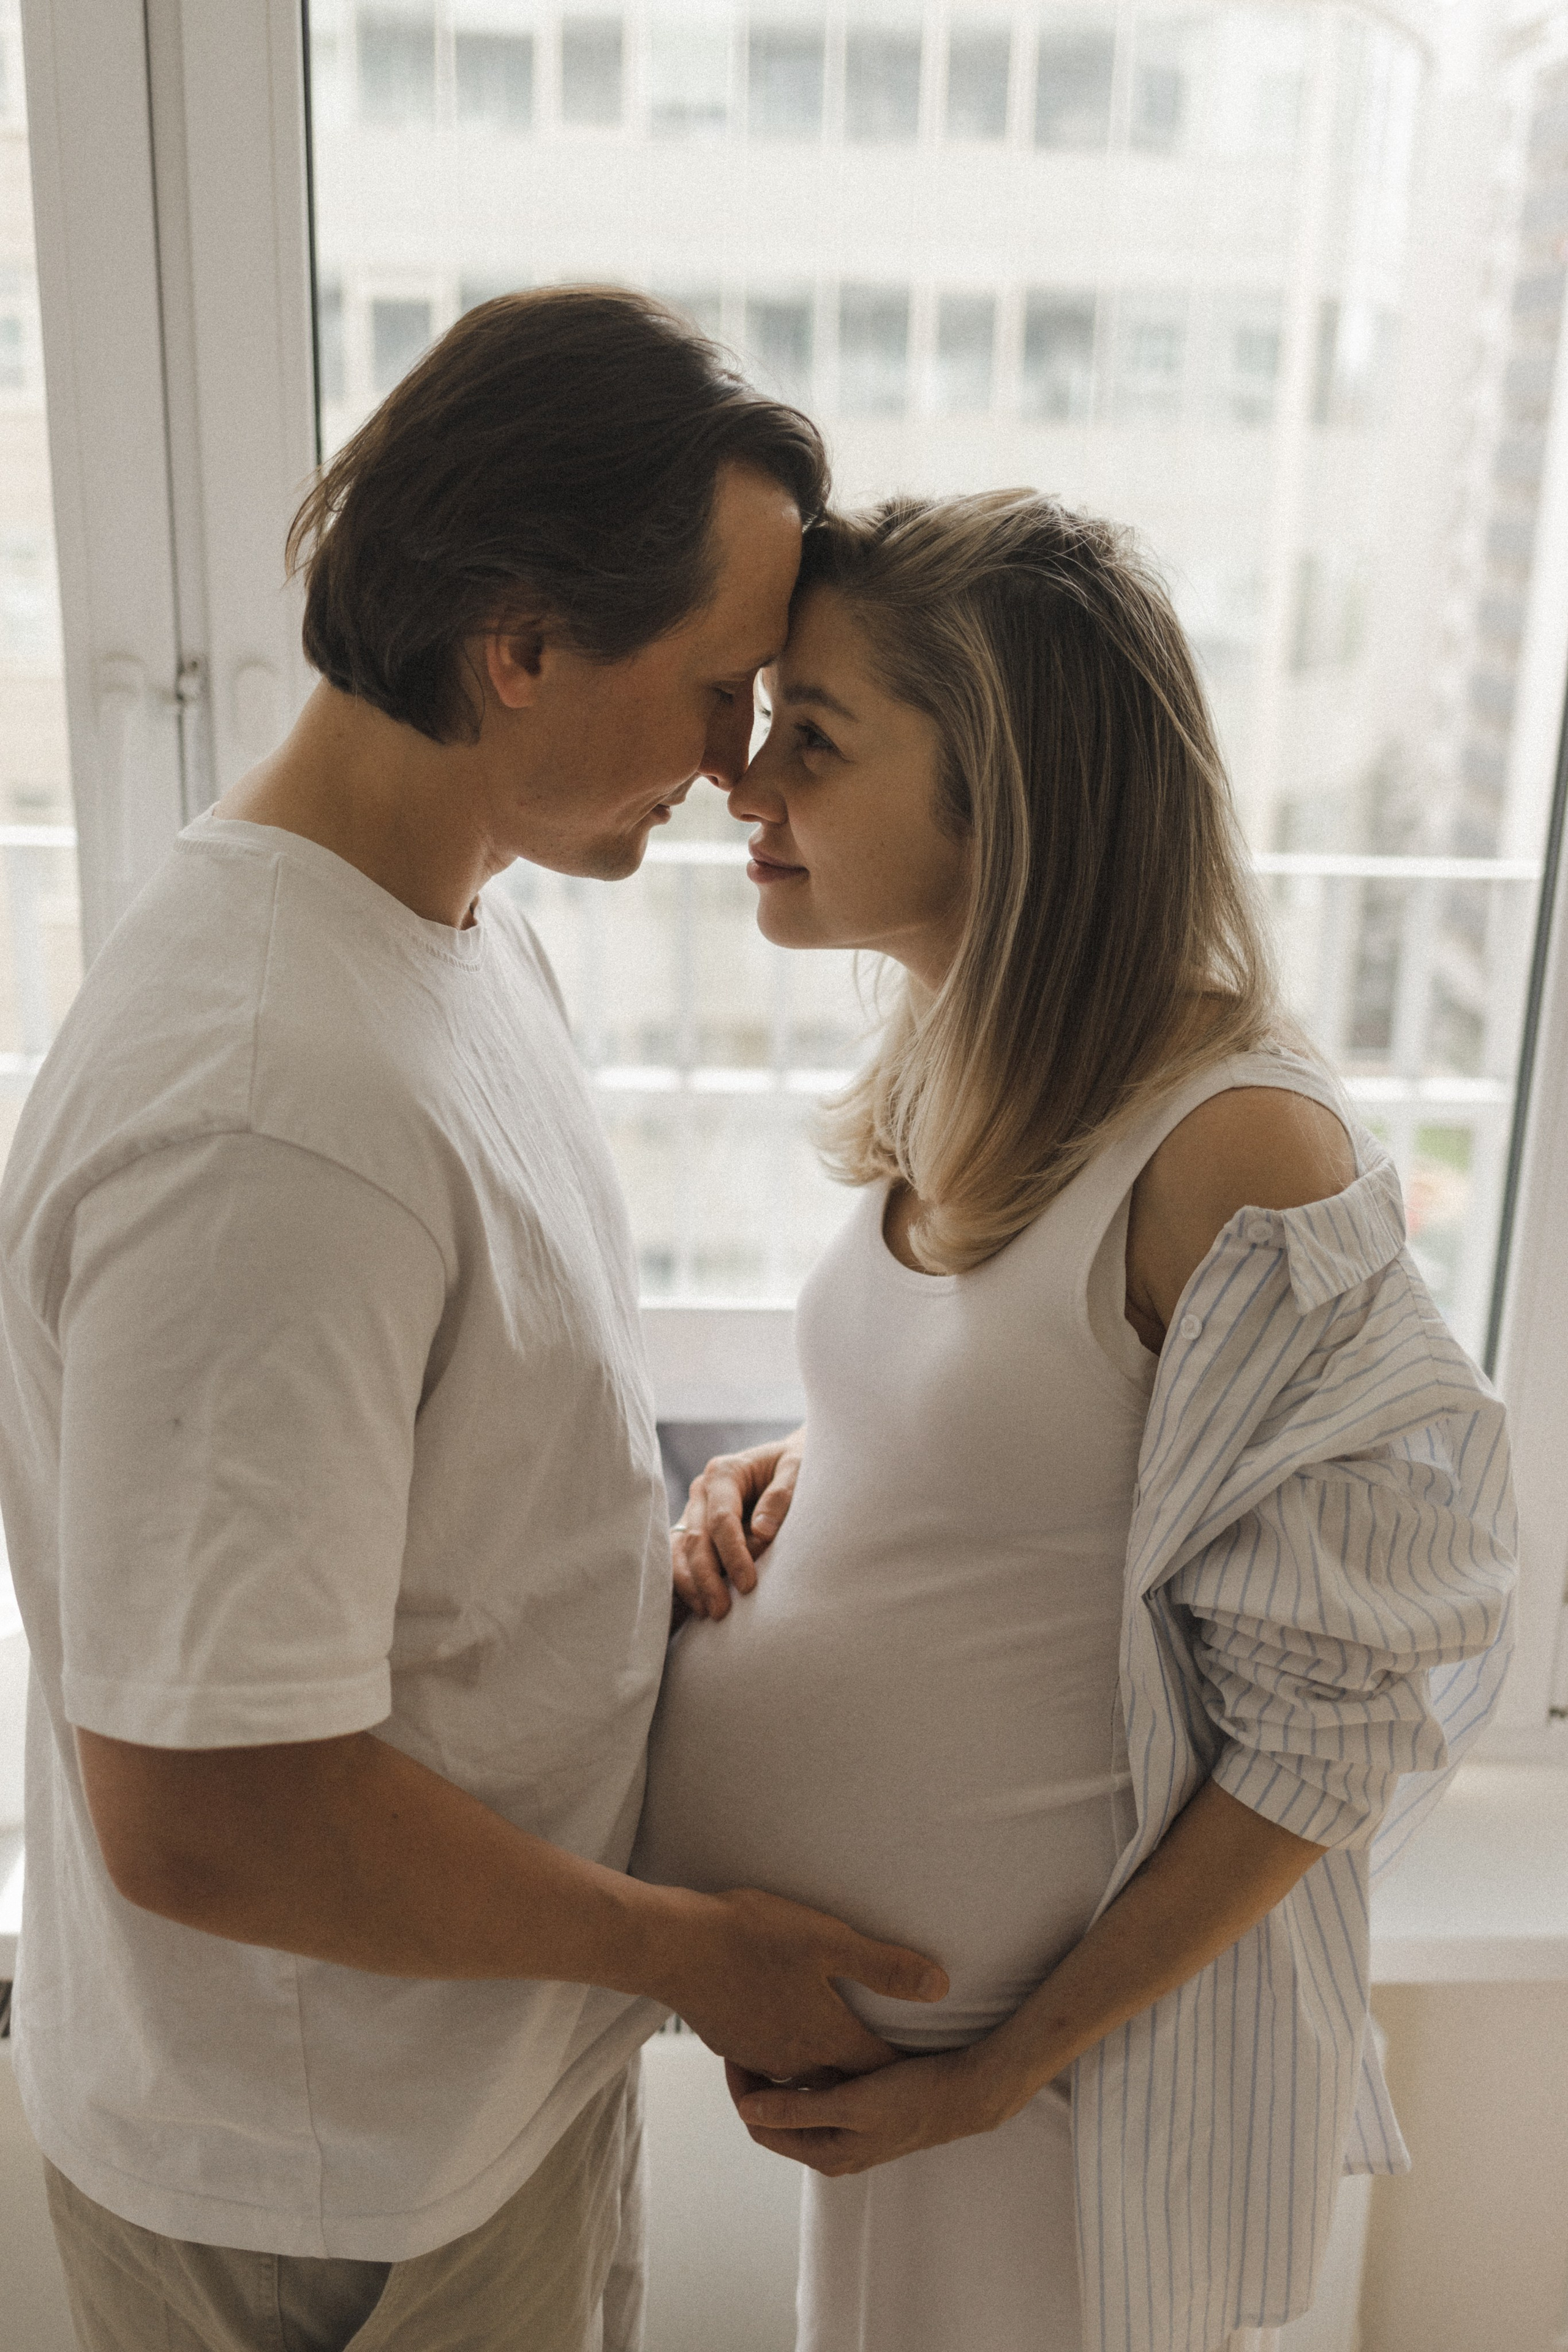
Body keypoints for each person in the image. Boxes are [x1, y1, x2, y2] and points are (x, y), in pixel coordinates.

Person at [0, 292, 950, 2352]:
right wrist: (681, 1950)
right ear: (516, 644)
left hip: (455, 2105)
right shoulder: (272, 1108)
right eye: (716, 694)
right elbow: (209, 1809)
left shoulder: (447, 932)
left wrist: (656, 1533)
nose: (739, 768)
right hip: (331, 2187)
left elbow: (427, 1475)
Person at [633, 492, 1517, 2352]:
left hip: (1053, 2103)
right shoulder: (965, 1056)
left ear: (1006, 791)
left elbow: (1331, 1729)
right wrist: (800, 1477)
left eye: (819, 735)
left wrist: (990, 2076)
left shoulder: (1235, 1152)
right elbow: (1057, 1445)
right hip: (907, 2073)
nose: (745, 780)